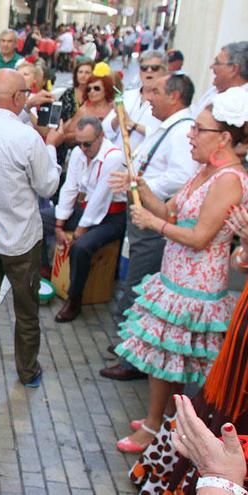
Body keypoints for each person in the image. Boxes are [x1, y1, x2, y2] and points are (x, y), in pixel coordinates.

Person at [111, 87, 248, 455]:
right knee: (165, 360)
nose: (190, 134)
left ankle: (155, 426)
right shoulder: (205, 171)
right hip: (176, 279)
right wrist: (140, 187)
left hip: (196, 287)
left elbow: (201, 237)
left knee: (165, 360)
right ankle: (164, 418)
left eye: (198, 129)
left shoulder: (229, 180)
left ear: (223, 138)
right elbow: (170, 211)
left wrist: (151, 224)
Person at [0, 68, 61, 387]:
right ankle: (27, 370)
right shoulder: (27, 137)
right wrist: (52, 148)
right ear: (19, 98)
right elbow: (47, 186)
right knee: (26, 310)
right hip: (20, 238)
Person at [101, 74, 200, 382]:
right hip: (146, 212)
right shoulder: (168, 127)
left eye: (155, 91)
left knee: (139, 284)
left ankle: (132, 359)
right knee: (135, 280)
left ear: (175, 97)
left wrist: (140, 186)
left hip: (156, 215)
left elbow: (180, 177)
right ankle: (129, 347)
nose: (148, 97)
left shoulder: (181, 130)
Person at [40, 117, 127, 322]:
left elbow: (100, 199)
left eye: (87, 143)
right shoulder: (80, 152)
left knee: (81, 247)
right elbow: (70, 187)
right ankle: (44, 269)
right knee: (38, 219)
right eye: (78, 143)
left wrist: (79, 232)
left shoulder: (113, 157)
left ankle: (75, 299)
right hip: (85, 209)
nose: (82, 148)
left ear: (101, 137)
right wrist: (60, 223)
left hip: (111, 216)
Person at [106, 50, 167, 152]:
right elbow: (107, 130)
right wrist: (118, 117)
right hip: (116, 160)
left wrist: (132, 124)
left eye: (154, 68)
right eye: (144, 68)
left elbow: (163, 136)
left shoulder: (167, 102)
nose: (149, 71)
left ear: (165, 71)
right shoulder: (127, 96)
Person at [192, 41, 248, 117]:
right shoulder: (215, 89)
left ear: (234, 69)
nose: (211, 67)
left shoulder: (243, 105)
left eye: (217, 63)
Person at [61, 71, 117, 144]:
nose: (92, 91)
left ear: (106, 90)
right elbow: (67, 136)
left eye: (96, 88)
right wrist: (86, 135)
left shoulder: (115, 108)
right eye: (88, 89)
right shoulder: (83, 110)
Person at [59, 59, 94, 124]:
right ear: (76, 75)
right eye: (80, 72)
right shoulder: (68, 94)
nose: (83, 75)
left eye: (87, 72)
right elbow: (58, 117)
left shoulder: (95, 94)